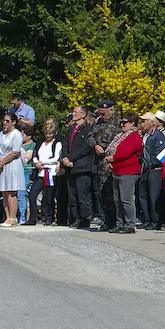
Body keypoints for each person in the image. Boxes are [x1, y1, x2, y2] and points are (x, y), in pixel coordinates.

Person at [107, 113, 143, 234]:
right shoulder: (120, 137)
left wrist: (109, 158)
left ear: (132, 124)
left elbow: (124, 154)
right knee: (117, 200)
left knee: (126, 199)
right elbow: (111, 151)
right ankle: (120, 223)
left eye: (125, 122)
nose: (122, 125)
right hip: (117, 171)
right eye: (121, 122)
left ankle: (130, 224)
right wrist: (108, 159)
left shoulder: (134, 137)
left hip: (128, 172)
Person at [61, 105, 95, 229]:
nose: (73, 114)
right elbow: (65, 144)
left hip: (82, 166)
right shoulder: (71, 128)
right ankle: (75, 217)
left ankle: (85, 218)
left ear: (83, 114)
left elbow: (85, 148)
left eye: (76, 112)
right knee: (72, 194)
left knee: (82, 194)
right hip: (70, 166)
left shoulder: (88, 129)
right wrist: (65, 158)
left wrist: (71, 158)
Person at [90, 100, 119, 230]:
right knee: (102, 193)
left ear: (111, 110)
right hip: (100, 163)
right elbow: (90, 137)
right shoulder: (99, 122)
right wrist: (95, 145)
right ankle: (107, 220)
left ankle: (116, 221)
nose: (102, 116)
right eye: (100, 113)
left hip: (113, 163)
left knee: (113, 194)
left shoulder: (119, 122)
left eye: (104, 113)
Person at [138, 111, 165, 230]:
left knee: (153, 195)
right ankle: (147, 219)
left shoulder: (158, 136)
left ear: (152, 123)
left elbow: (160, 154)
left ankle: (155, 220)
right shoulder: (145, 136)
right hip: (145, 169)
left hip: (154, 169)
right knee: (143, 195)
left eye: (145, 121)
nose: (143, 123)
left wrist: (150, 163)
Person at [0, 113, 25, 228]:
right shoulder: (2, 134)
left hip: (11, 164)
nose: (5, 123)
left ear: (13, 122)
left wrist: (3, 162)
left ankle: (12, 217)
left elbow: (15, 152)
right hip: (1, 163)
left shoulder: (16, 134)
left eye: (7, 121)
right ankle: (7, 216)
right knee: (4, 191)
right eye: (4, 121)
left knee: (11, 191)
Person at [31, 118, 62, 225]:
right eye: (46, 134)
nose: (48, 136)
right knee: (32, 194)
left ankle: (49, 217)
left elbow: (56, 158)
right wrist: (36, 162)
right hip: (40, 173)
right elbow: (35, 155)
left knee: (48, 197)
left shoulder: (57, 143)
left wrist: (43, 162)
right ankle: (33, 217)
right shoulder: (41, 142)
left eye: (50, 134)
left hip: (50, 172)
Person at [18, 122, 36, 223]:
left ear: (29, 136)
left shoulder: (32, 145)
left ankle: (22, 217)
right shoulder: (18, 144)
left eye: (23, 135)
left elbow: (26, 159)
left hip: (25, 171)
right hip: (16, 172)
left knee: (21, 194)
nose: (21, 137)